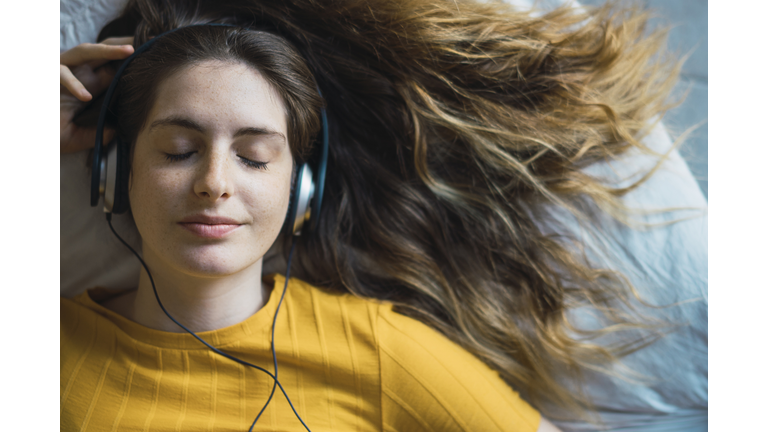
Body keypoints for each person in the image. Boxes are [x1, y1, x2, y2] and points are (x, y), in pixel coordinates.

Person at [60, 0, 707, 430]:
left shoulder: (375, 351)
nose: (213, 184)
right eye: (178, 150)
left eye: (255, 158)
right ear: (112, 174)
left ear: (301, 189)